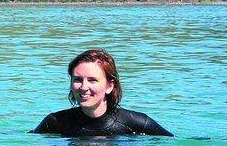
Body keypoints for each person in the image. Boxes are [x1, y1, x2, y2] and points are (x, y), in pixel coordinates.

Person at [31, 49, 173, 137]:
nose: (84, 87)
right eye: (78, 80)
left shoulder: (137, 123)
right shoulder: (55, 122)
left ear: (109, 86)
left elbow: (173, 144)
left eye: (92, 80)